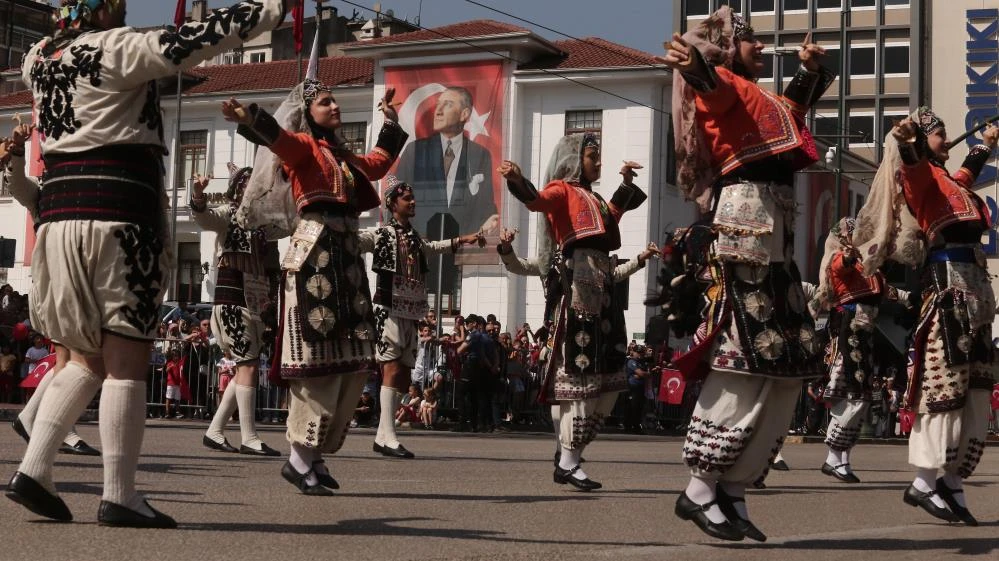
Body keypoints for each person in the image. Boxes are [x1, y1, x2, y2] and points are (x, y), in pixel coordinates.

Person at [4, 0, 287, 527]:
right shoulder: (117, 48)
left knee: (85, 356)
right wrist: (270, 9)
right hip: (120, 214)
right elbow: (196, 40)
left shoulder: (37, 58)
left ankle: (34, 468)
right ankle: (120, 494)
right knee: (126, 360)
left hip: (60, 218)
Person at [659, 6, 833, 541]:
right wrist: (695, 63)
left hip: (775, 233)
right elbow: (708, 87)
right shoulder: (726, 84)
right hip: (745, 229)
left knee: (788, 360)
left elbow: (789, 114)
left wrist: (806, 70)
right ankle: (699, 486)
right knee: (742, 354)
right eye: (752, 40)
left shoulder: (760, 99)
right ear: (728, 48)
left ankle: (733, 487)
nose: (761, 48)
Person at [223, 71, 407, 495]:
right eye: (326, 101)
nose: (335, 106)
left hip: (344, 259)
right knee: (317, 359)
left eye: (335, 100)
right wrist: (250, 115)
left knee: (351, 359)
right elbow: (279, 140)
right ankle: (299, 459)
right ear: (308, 112)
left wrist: (391, 123)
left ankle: (315, 455)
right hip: (315, 258)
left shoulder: (341, 156)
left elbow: (377, 164)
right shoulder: (304, 147)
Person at [857, 109, 998, 526]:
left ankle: (952, 480)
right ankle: (923, 480)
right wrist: (908, 140)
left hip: (974, 291)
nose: (946, 139)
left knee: (976, 388)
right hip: (948, 290)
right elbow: (915, 162)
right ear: (923, 141)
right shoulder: (918, 176)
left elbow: (966, 178)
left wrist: (985, 143)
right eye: (940, 135)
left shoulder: (947, 183)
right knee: (945, 386)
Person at [499, 131, 649, 492]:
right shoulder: (562, 190)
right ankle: (568, 460)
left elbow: (609, 217)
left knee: (611, 372)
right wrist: (517, 178)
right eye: (592, 157)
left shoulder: (594, 197)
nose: (598, 163)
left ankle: (570, 455)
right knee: (581, 368)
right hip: (579, 281)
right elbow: (535, 201)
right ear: (573, 159)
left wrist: (625, 185)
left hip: (603, 286)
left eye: (599, 158)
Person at [496, 228, 658, 459]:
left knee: (583, 395)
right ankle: (563, 447)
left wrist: (641, 259)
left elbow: (615, 273)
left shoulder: (594, 261)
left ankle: (566, 447)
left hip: (589, 335)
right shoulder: (550, 263)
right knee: (562, 394)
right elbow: (517, 266)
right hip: (560, 336)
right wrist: (505, 247)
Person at [357, 177, 479, 459]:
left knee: (402, 375)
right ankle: (388, 435)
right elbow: (357, 240)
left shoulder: (414, 237)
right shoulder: (382, 234)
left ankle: (382, 435)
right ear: (392, 203)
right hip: (387, 309)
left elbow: (433, 247)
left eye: (413, 198)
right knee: (390, 369)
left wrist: (463, 239)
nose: (413, 203)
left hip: (411, 311)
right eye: (406, 199)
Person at [809, 218, 912, 483]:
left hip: (866, 332)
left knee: (862, 395)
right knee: (853, 394)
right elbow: (839, 268)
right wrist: (847, 255)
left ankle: (842, 458)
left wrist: (910, 298)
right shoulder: (840, 259)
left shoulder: (867, 267)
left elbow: (886, 290)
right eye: (857, 234)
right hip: (849, 329)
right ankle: (833, 456)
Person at [190, 165, 280, 457]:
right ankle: (249, 437)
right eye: (253, 184)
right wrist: (198, 195)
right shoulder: (230, 215)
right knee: (248, 366)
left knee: (247, 364)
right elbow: (205, 218)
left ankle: (214, 431)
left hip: (255, 304)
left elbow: (289, 225)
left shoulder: (264, 226)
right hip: (231, 301)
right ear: (241, 188)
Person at [395, 86, 499, 299]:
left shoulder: (480, 155)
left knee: (449, 293)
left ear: (464, 114)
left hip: (461, 245)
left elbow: (485, 205)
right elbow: (394, 200)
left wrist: (490, 221)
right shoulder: (415, 151)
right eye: (438, 105)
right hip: (419, 246)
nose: (438, 111)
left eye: (447, 104)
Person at [624, 346, 649, 434]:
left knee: (639, 408)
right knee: (632, 407)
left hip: (641, 387)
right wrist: (643, 374)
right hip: (632, 387)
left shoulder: (642, 362)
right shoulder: (631, 361)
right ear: (633, 352)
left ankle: (636, 426)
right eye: (638, 352)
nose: (639, 355)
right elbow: (641, 373)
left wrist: (644, 374)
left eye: (641, 353)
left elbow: (646, 374)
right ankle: (628, 426)